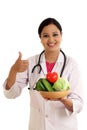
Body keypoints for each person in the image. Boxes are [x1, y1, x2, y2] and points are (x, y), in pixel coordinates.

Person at [3, 17, 83, 130]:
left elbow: (78, 104)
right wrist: (13, 70)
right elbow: (11, 94)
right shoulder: (31, 63)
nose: (51, 39)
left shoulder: (71, 64)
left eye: (55, 34)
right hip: (38, 126)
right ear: (40, 38)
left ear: (61, 35)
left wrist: (63, 99)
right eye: (45, 36)